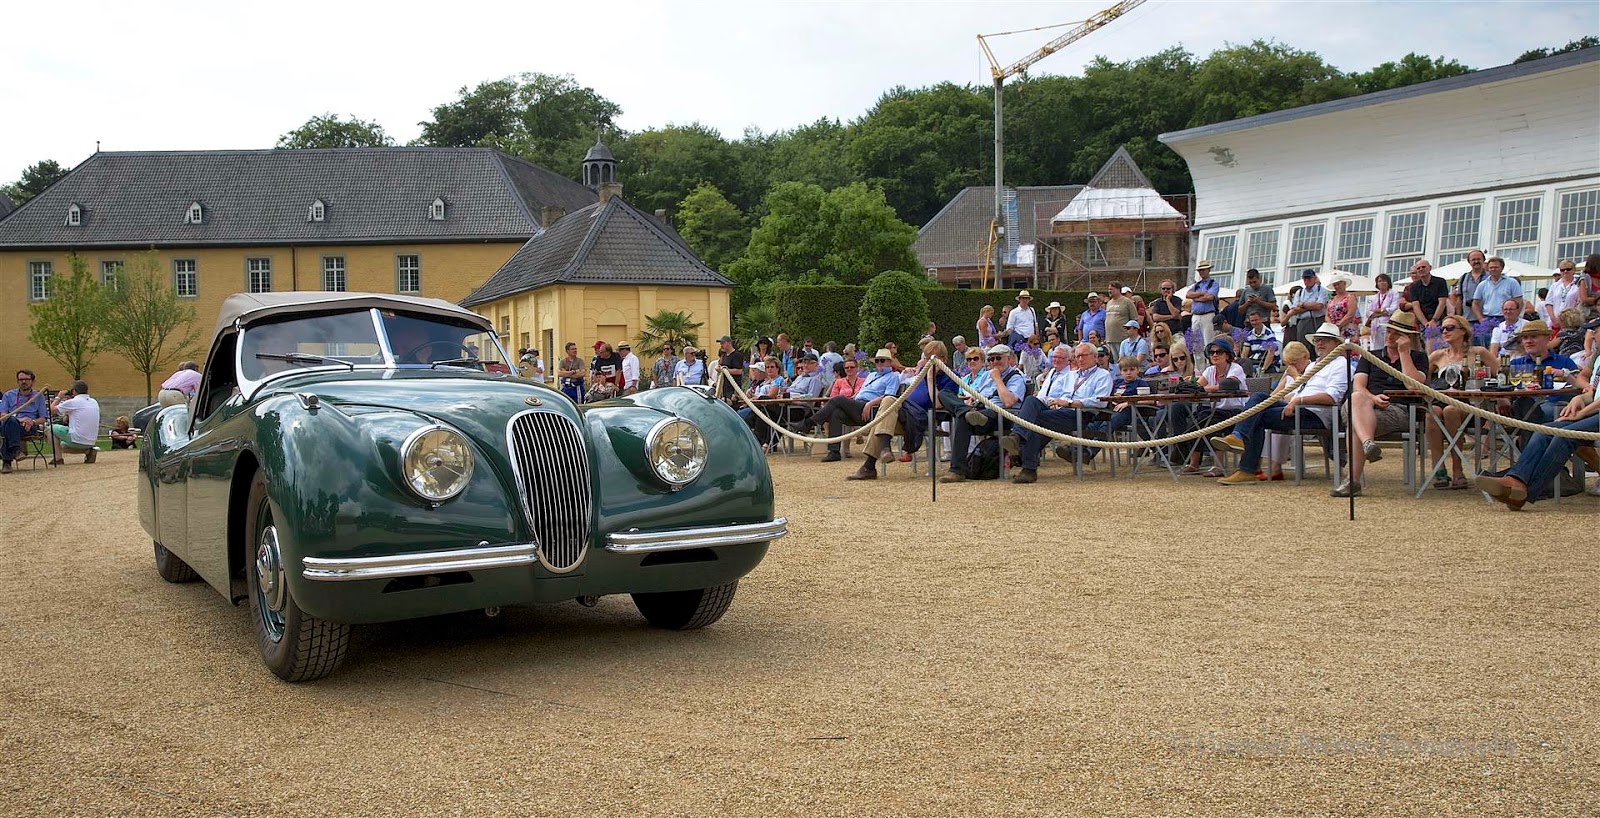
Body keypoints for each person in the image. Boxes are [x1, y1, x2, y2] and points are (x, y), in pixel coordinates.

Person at [1211, 323, 1350, 486]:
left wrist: (1298, 400)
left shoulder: (1340, 364)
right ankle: (1240, 445)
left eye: (1325, 340)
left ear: (1337, 344)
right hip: (1298, 407)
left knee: (1257, 414)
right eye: (1318, 340)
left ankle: (1246, 464)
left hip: (1315, 413)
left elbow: (1332, 397)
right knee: (1259, 398)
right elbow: (1300, 391)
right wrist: (1288, 399)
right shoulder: (1314, 365)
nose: (1319, 343)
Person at [1475, 358, 1600, 509]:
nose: (1592, 335)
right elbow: (1595, 394)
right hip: (1594, 413)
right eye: (1593, 332)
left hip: (1594, 414)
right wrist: (1580, 398)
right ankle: (1516, 479)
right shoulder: (1598, 357)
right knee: (1544, 430)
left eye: (1595, 332)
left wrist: (1582, 412)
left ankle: (1527, 494)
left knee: (1565, 435)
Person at [1335, 310, 1429, 497]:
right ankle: (1368, 443)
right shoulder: (1371, 356)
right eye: (1389, 331)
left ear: (1408, 337)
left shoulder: (1419, 358)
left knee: (1355, 426)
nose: (1390, 336)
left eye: (1396, 333)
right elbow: (1359, 386)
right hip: (1364, 404)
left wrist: (1404, 353)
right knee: (1356, 398)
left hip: (1398, 410)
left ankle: (1352, 481)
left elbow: (1412, 385)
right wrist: (1373, 398)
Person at [998, 343, 1112, 483]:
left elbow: (1100, 402)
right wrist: (1049, 401)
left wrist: (1069, 403)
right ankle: (1017, 438)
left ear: (1095, 357)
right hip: (1060, 411)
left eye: (1083, 355)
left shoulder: (1103, 375)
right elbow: (1056, 395)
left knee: (1036, 420)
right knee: (1031, 401)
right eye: (1077, 356)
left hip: (1081, 414)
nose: (1080, 359)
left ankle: (1026, 460)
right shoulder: (1071, 375)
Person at [851, 342, 960, 480]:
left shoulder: (951, 377)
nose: (928, 361)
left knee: (887, 403)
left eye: (932, 358)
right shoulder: (921, 372)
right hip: (906, 414)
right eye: (926, 358)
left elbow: (938, 405)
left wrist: (930, 377)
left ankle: (871, 464)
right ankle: (879, 455)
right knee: (885, 408)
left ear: (943, 359)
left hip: (924, 417)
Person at [788, 348, 900, 463]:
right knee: (836, 413)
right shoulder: (871, 376)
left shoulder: (893, 376)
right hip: (858, 405)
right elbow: (862, 391)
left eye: (882, 361)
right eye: (877, 361)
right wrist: (852, 399)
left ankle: (808, 423)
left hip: (874, 409)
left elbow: (889, 397)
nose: (879, 364)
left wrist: (869, 404)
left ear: (889, 362)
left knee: (838, 399)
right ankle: (834, 452)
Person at [937, 345, 1027, 483]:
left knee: (966, 418)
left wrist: (997, 379)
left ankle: (956, 470)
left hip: (1002, 415)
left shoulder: (1016, 377)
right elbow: (975, 395)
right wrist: (968, 403)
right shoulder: (986, 376)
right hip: (978, 413)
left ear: (1009, 359)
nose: (994, 362)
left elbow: (1008, 402)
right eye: (991, 359)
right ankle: (957, 471)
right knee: (945, 395)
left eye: (998, 358)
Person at [1425, 314, 1494, 490]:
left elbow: (1501, 375)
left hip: (1472, 404)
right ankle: (1439, 468)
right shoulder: (1437, 356)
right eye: (1443, 329)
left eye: (1450, 328)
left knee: (1450, 411)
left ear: (1463, 331)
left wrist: (1500, 399)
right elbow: (1422, 379)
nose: (1445, 332)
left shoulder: (1478, 352)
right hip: (1443, 399)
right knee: (1432, 412)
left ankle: (1457, 469)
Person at [1170, 337, 1248, 477]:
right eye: (1212, 352)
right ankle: (1194, 464)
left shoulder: (1236, 368)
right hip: (1214, 410)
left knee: (1212, 425)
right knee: (1194, 424)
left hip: (1236, 412)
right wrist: (1191, 387)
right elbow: (1197, 387)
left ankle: (1218, 467)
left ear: (1228, 355)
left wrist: (1204, 389)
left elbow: (1229, 385)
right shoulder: (1210, 370)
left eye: (1219, 352)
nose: (1215, 355)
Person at [2, 369, 49, 473]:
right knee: (11, 422)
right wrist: (19, 419)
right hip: (10, 422)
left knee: (9, 429)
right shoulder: (8, 395)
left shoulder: (38, 396)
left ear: (32, 381)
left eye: (26, 379)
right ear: (17, 381)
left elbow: (43, 418)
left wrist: (31, 421)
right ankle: (16, 450)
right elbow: (3, 415)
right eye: (21, 379)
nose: (23, 382)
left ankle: (7, 462)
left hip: (28, 427)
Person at [49, 380, 101, 465]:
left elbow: (51, 410)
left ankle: (58, 459)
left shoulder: (73, 402)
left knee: (49, 429)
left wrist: (58, 397)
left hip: (77, 439)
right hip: (91, 441)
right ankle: (88, 451)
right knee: (62, 446)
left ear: (74, 391)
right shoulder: (93, 401)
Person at [1284, 269, 1328, 348]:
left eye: (1309, 278)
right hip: (1303, 322)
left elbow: (1319, 306)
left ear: (1314, 278)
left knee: (1319, 345)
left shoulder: (1322, 290)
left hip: (1318, 320)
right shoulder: (1299, 292)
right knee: (1302, 346)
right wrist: (1311, 306)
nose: (1307, 280)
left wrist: (1303, 305)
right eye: (1305, 278)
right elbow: (1295, 309)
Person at [1400, 258, 1448, 329]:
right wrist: (1425, 323)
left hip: (1439, 320)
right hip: (1422, 322)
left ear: (1430, 268)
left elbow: (1442, 302)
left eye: (1423, 267)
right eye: (1418, 268)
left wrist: (1434, 320)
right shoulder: (1413, 287)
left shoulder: (1440, 282)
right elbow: (1416, 306)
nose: (1421, 269)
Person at [1188, 261, 1221, 345]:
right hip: (1195, 315)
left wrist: (1195, 298)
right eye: (1200, 270)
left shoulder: (1213, 284)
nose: (1201, 272)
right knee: (1196, 344)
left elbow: (1209, 297)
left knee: (1208, 341)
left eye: (1203, 270)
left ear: (1208, 270)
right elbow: (1188, 294)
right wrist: (1202, 293)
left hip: (1207, 315)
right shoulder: (1196, 285)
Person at [1365, 273, 1400, 350]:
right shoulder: (1375, 296)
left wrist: (1380, 310)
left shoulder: (1394, 293)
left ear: (1388, 282)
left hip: (1388, 324)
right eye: (1379, 281)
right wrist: (1382, 313)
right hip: (1375, 326)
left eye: (1384, 281)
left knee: (1387, 347)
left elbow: (1393, 309)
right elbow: (1368, 312)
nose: (1382, 283)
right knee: (1376, 348)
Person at [1451, 249, 1489, 318]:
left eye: (1479, 259)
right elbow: (1459, 299)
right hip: (1467, 318)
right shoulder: (1463, 278)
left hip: (1486, 318)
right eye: (1473, 260)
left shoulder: (1490, 277)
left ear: (1484, 260)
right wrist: (1458, 318)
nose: (1476, 261)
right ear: (1469, 262)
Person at [1326, 274, 1360, 340]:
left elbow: (1351, 314)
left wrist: (1339, 325)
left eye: (1338, 284)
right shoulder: (1331, 300)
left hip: (1347, 329)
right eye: (1335, 285)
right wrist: (1331, 326)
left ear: (1344, 284)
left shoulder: (1350, 297)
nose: (1337, 286)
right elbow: (1327, 315)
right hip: (1333, 331)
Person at [1104, 285, 1135, 349]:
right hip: (1110, 339)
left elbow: (1134, 319)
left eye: (1111, 289)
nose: (1109, 291)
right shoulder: (1109, 303)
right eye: (1108, 289)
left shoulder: (1127, 302)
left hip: (1122, 338)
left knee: (1123, 358)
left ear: (1118, 290)